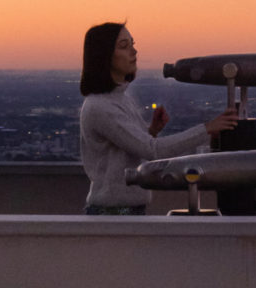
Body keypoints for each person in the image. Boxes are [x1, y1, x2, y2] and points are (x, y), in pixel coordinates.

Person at [79, 21, 237, 215]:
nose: (134, 51)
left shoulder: (119, 99)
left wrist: (151, 131)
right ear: (103, 56)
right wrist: (207, 129)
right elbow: (152, 150)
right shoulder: (100, 106)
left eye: (132, 44)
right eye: (124, 46)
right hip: (112, 214)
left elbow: (130, 149)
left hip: (126, 212)